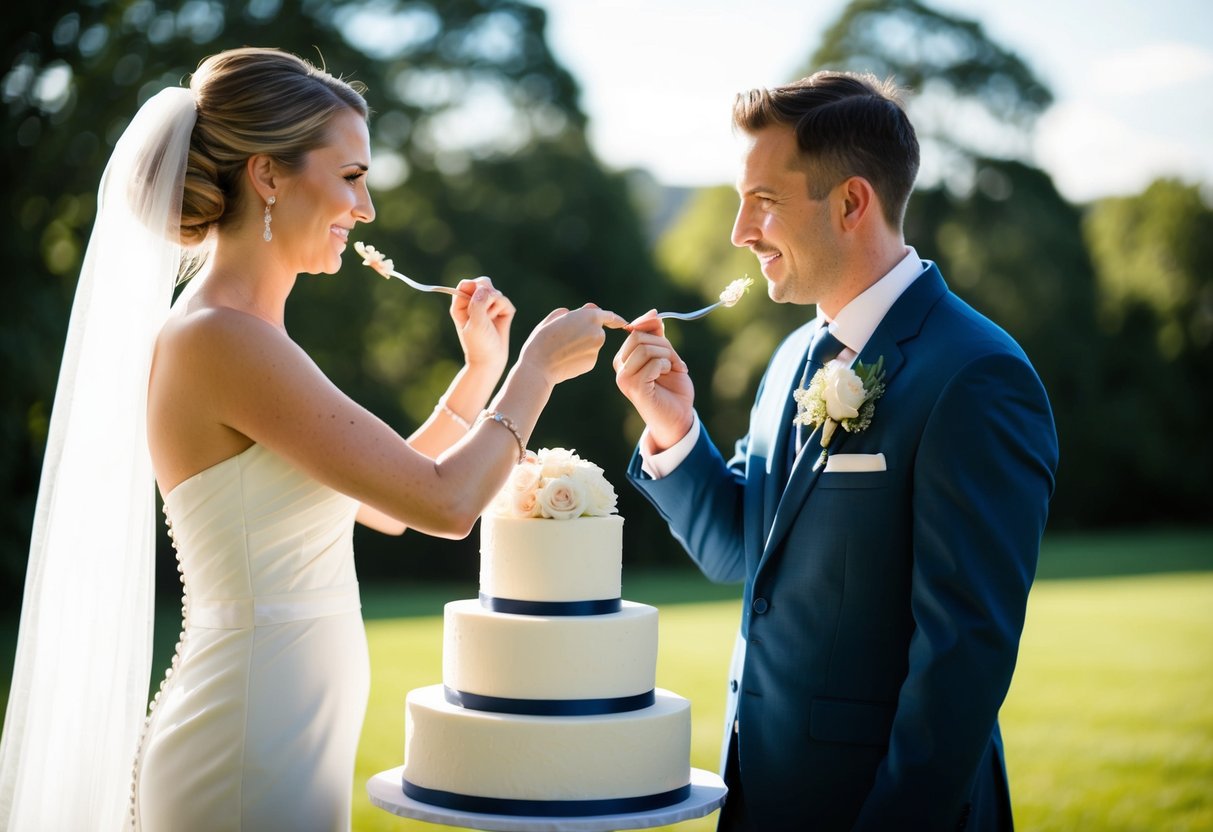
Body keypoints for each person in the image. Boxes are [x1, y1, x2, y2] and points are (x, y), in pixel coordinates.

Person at [0, 47, 624, 831]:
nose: (365, 211)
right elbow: (446, 503)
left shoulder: (246, 333)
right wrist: (534, 371)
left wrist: (479, 375)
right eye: (352, 177)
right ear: (266, 175)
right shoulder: (222, 339)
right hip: (247, 737)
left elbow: (384, 503)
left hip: (282, 724)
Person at [613, 71, 1058, 831]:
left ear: (851, 202)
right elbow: (740, 555)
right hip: (758, 793)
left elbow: (963, 657)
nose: (738, 233)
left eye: (764, 202)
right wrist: (672, 428)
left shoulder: (976, 375)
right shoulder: (791, 358)